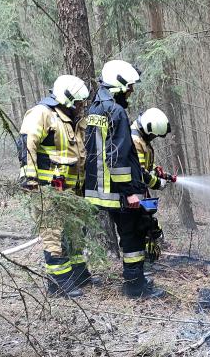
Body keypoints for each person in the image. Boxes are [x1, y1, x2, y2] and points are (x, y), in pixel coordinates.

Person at [83, 60, 166, 299]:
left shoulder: (95, 109)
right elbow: (117, 156)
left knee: (129, 233)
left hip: (100, 189)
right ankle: (135, 287)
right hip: (119, 191)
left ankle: (135, 281)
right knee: (133, 234)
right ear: (118, 85)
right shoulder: (116, 112)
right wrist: (130, 191)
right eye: (129, 86)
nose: (131, 90)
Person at [17, 75, 99, 298]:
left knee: (75, 231)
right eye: (79, 103)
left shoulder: (75, 119)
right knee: (53, 234)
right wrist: (30, 179)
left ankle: (79, 274)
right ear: (67, 99)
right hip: (48, 189)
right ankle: (59, 283)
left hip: (73, 189)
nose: (82, 106)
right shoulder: (42, 114)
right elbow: (26, 143)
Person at [131, 108, 175, 263]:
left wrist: (157, 171)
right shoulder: (136, 141)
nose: (154, 137)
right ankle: (143, 263)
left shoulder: (142, 139)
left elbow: (145, 165)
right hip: (132, 193)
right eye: (154, 135)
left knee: (148, 224)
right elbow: (140, 173)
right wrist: (157, 183)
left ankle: (148, 260)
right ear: (148, 128)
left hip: (139, 192)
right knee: (143, 226)